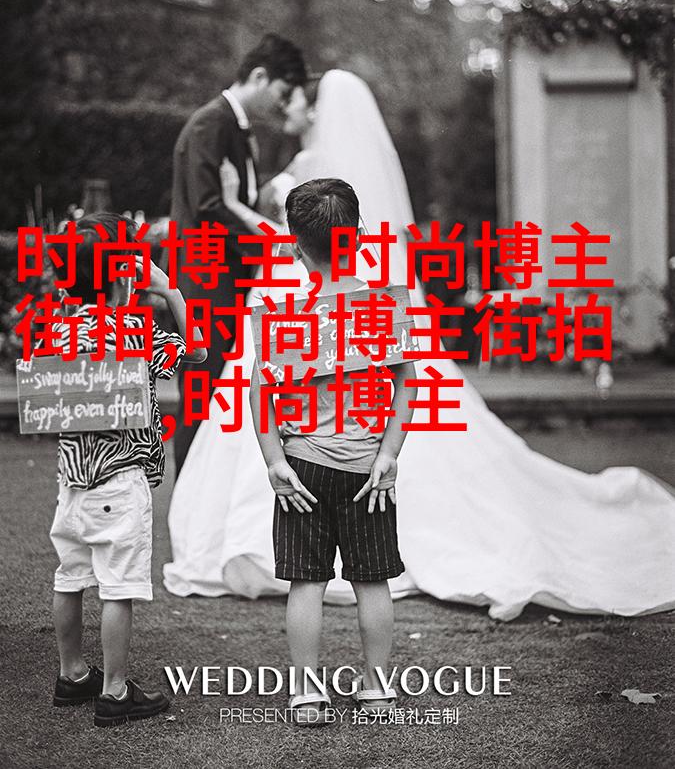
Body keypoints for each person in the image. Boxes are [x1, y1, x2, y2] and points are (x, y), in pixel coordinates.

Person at [164, 70, 675, 622]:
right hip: (364, 408)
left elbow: (263, 381)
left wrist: (243, 205)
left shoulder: (305, 181)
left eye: (292, 100)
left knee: (305, 536)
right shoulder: (364, 246)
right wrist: (387, 449)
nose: (285, 108)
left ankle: (298, 623)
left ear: (314, 109)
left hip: (304, 370)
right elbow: (405, 375)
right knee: (370, 551)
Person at [248, 178, 414, 724]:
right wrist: (389, 453)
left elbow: (259, 393)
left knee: (307, 582)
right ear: (360, 237)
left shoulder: (285, 317)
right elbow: (406, 383)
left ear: (296, 247)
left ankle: (305, 692)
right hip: (369, 469)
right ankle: (377, 689)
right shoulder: (384, 305)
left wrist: (275, 461)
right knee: (372, 580)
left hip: (303, 468)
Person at [48, 212, 207, 727]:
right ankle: (115, 692)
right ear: (126, 275)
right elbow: (198, 351)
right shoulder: (134, 332)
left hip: (71, 481)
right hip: (120, 480)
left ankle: (72, 674)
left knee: (70, 577)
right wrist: (170, 291)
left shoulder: (58, 329)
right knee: (118, 586)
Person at [170, 33, 306, 473]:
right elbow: (209, 207)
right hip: (207, 283)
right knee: (202, 395)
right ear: (260, 76)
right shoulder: (211, 124)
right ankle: (187, 497)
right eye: (282, 92)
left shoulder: (235, 127)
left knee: (221, 397)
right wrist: (274, 247)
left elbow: (236, 205)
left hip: (229, 281)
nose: (283, 104)